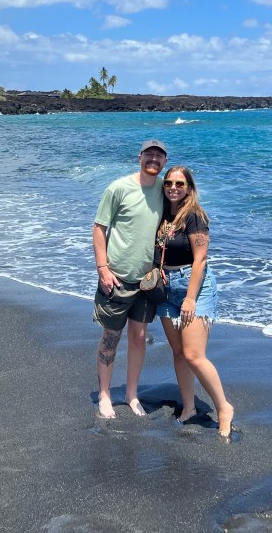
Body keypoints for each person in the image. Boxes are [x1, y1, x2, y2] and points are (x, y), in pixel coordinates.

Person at [153, 165, 234, 437]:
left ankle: (223, 407)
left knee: (194, 355)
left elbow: (200, 260)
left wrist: (189, 298)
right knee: (178, 352)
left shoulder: (194, 216)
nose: (173, 188)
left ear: (189, 188)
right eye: (168, 183)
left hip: (194, 287)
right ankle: (188, 407)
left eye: (179, 184)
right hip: (166, 287)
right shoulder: (163, 214)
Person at [92, 139, 168, 419]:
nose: (153, 159)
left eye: (159, 156)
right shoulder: (118, 188)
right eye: (149, 154)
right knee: (111, 336)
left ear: (164, 162)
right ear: (139, 158)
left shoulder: (165, 189)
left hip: (147, 281)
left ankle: (132, 395)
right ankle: (104, 394)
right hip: (117, 278)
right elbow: (99, 227)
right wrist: (103, 268)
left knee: (139, 337)